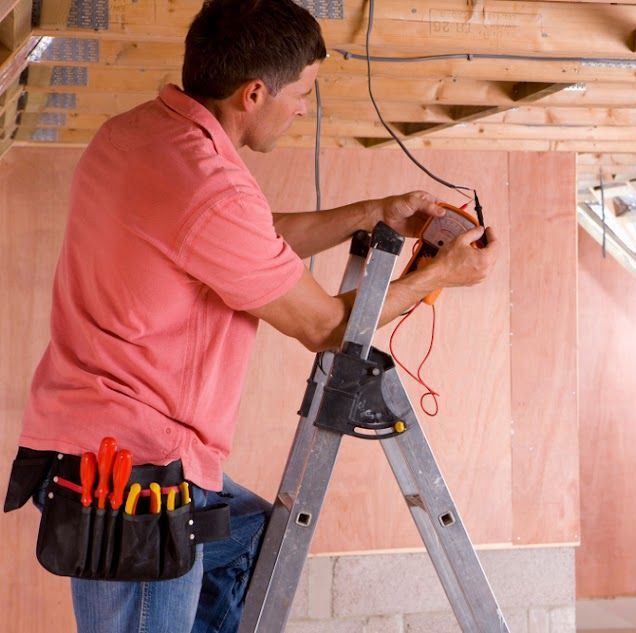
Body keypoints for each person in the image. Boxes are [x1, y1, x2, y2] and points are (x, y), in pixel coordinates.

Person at [5, 0, 499, 631]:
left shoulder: (135, 136)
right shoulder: (208, 186)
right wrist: (442, 275)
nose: (302, 108)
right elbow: (323, 326)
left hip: (90, 448)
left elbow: (247, 239)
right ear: (254, 93)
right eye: (301, 93)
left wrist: (372, 211)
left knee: (258, 543)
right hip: (137, 483)